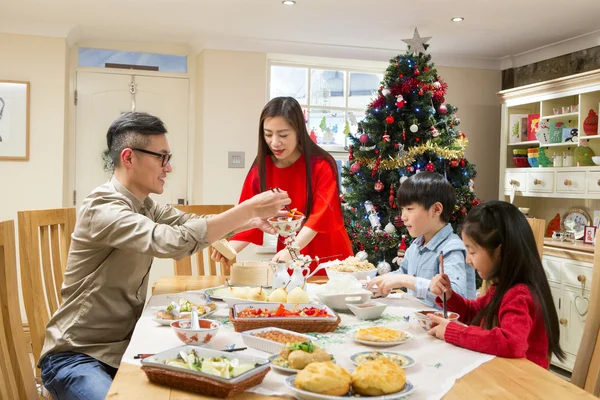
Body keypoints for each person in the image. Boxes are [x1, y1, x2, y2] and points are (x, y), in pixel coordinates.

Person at [38, 112, 291, 400]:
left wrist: (251, 221)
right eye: (162, 157)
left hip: (125, 347)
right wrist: (248, 209)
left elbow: (188, 222)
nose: (168, 168)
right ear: (129, 158)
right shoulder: (103, 207)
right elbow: (170, 242)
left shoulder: (144, 205)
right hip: (77, 356)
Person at [212, 97, 353, 274]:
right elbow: (248, 214)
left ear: (299, 132)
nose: (275, 142)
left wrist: (292, 250)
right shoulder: (262, 168)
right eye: (268, 134)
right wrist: (230, 249)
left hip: (328, 253)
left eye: (283, 135)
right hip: (289, 253)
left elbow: (320, 217)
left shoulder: (322, 165)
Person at [427, 201, 565, 368]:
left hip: (524, 384)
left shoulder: (519, 294)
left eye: (472, 251)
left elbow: (511, 342)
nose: (467, 260)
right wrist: (448, 296)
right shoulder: (500, 288)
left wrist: (453, 332)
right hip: (503, 373)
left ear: (500, 251)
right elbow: (475, 314)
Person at [367, 172, 476, 307]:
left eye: (410, 209)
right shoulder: (416, 245)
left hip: (445, 326)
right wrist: (381, 282)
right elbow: (403, 273)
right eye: (402, 209)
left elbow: (456, 295)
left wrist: (405, 280)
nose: (403, 217)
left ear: (436, 209)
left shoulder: (452, 248)